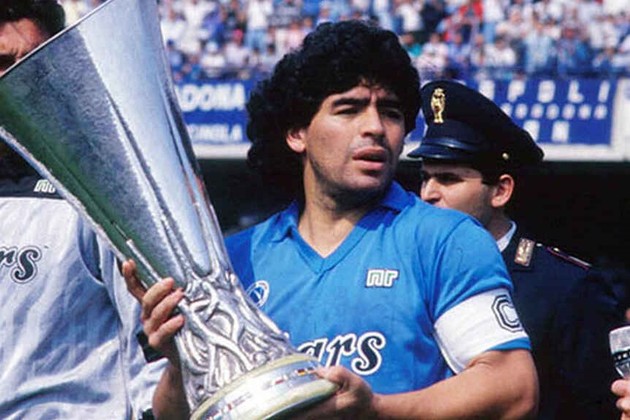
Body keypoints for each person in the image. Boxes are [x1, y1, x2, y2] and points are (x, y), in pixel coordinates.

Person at [126, 20, 538, 419]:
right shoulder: (236, 260)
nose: (375, 127)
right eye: (349, 109)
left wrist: (377, 411)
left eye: (391, 113)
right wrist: (181, 362)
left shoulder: (445, 239)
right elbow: (179, 413)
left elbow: (512, 387)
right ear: (297, 133)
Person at [408, 79, 623, 419]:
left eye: (448, 179)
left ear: (500, 191)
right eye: (425, 177)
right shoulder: (405, 271)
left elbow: (600, 406)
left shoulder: (565, 287)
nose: (428, 194)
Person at [0, 1, 164, 418]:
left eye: (33, 63)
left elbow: (156, 374)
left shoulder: (102, 191)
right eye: (1, 64)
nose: (16, 81)